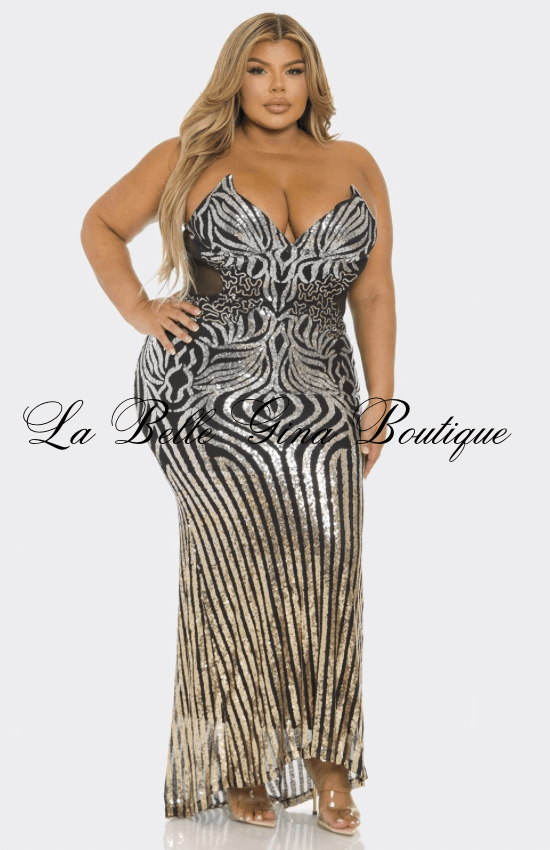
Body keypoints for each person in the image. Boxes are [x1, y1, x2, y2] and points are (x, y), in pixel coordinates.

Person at [80, 11, 395, 837]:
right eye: (259, 69)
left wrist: (380, 401)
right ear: (235, 78)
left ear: (313, 80)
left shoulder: (356, 164)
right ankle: (241, 763)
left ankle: (330, 768)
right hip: (204, 399)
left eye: (292, 69)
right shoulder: (187, 156)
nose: (277, 87)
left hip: (323, 395)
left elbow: (373, 289)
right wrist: (141, 309)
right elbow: (100, 225)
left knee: (330, 570)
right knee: (234, 572)